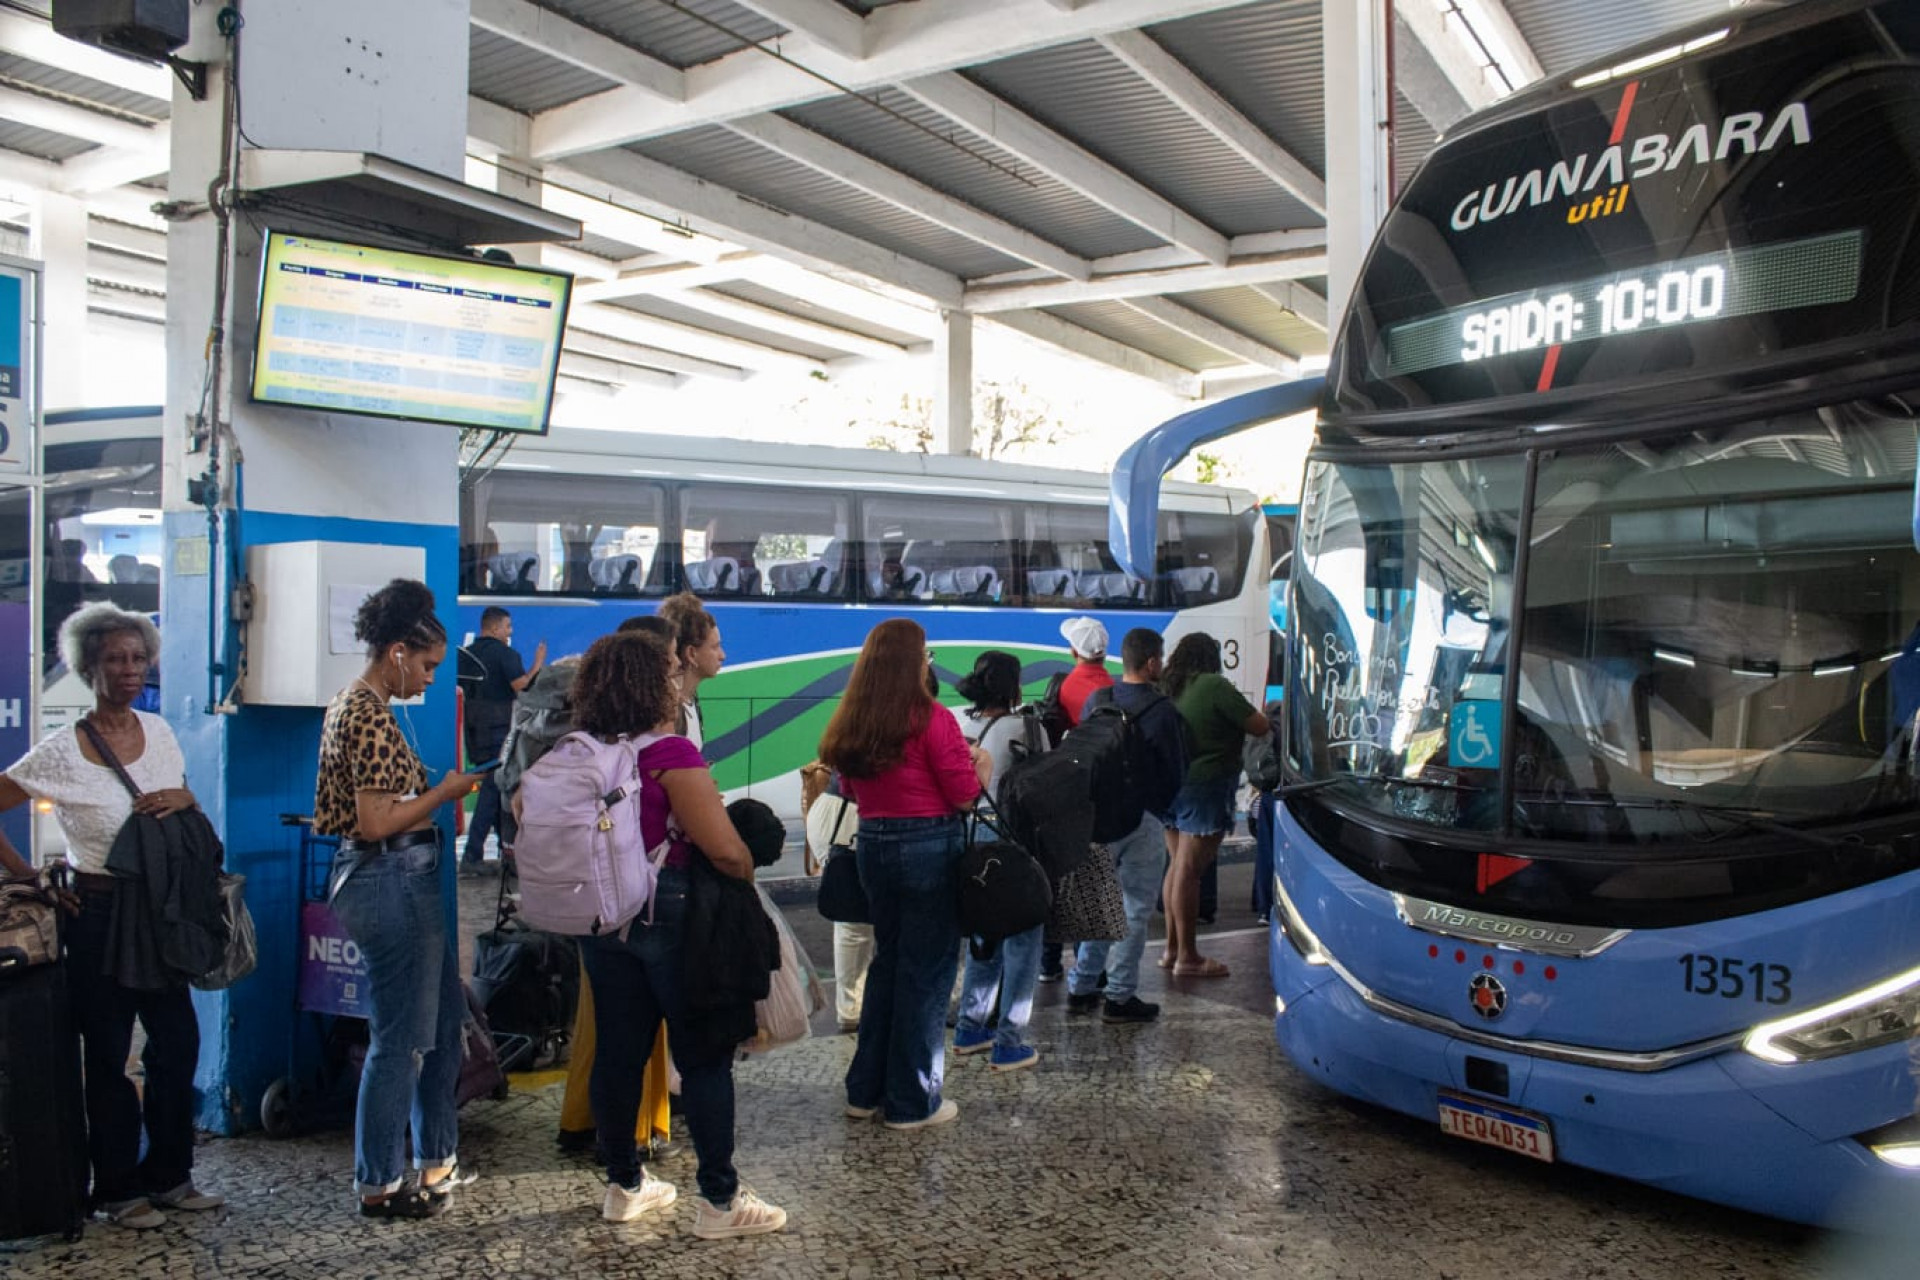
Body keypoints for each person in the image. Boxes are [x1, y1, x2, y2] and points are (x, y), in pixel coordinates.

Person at [547, 629, 786, 1238]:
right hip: (672, 918)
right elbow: (728, 853)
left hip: (601, 922)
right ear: (655, 684)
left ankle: (624, 1186)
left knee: (620, 1053)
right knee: (704, 1057)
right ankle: (720, 1203)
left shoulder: (574, 753)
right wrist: (745, 869)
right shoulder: (670, 754)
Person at [0, 603, 223, 1230]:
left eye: (137, 658)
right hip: (96, 914)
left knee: (177, 1046)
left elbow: (172, 810)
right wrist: (31, 880)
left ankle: (171, 1175)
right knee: (107, 1056)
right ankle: (117, 1188)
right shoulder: (61, 751)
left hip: (161, 913)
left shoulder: (161, 731)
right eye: (114, 660)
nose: (129, 670)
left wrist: (188, 796)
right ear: (88, 669)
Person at [314, 579, 482, 1220]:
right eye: (429, 665)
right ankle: (379, 1180)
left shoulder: (352, 706)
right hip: (388, 878)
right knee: (400, 1040)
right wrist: (446, 793)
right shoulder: (368, 716)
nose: (433, 679)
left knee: (439, 1029)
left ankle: (437, 1159)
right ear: (396, 654)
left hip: (393, 879)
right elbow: (378, 822)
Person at [819, 618, 990, 1130]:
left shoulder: (853, 720)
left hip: (873, 846)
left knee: (889, 967)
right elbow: (963, 795)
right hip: (928, 848)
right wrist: (980, 769)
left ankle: (864, 1091)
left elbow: (848, 789)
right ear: (914, 662)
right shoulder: (932, 718)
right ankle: (914, 1101)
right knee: (927, 974)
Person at [1066, 628, 1188, 1023]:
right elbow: (1175, 771)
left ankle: (1082, 986)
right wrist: (1159, 807)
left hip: (1097, 819)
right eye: (1162, 658)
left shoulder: (1099, 699)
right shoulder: (1164, 710)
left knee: (1099, 906)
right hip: (1141, 819)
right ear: (1152, 662)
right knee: (1133, 910)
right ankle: (1119, 996)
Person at [951, 651, 1050, 1071]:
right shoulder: (1026, 726)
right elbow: (1045, 783)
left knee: (983, 931)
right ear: (1013, 686)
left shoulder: (957, 722)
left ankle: (970, 1028)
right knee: (1023, 937)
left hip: (968, 837)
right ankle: (1010, 1042)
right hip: (1011, 840)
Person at [1160, 632, 1269, 977]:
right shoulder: (1214, 686)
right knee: (1189, 872)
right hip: (1205, 785)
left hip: (1171, 784)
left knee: (1176, 865)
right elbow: (1260, 725)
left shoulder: (1169, 684)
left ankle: (1171, 950)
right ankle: (1188, 957)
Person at [1039, 616, 1116, 981]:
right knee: (1093, 882)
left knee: (1056, 878)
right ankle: (1090, 968)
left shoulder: (1066, 686)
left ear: (1074, 652)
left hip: (1063, 792)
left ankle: (1049, 963)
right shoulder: (1113, 688)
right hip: (1099, 795)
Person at [457, 606, 545, 872]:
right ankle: (472, 856)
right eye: (507, 627)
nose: (510, 632)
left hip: (474, 730)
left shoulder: (466, 655)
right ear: (495, 628)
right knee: (494, 787)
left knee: (493, 787)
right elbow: (523, 688)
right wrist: (538, 663)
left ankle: (506, 851)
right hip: (499, 728)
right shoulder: (506, 655)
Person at [657, 592, 724, 749]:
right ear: (691, 654)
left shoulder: (690, 699)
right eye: (715, 647)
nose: (722, 655)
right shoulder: (669, 713)